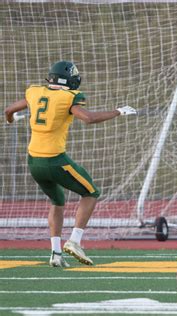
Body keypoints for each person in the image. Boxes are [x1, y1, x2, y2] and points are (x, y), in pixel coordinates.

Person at [4, 60, 137, 267]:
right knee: (91, 192)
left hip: (34, 162)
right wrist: (118, 111)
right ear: (70, 80)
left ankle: (56, 254)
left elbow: (8, 111)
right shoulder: (69, 96)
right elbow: (88, 118)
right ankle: (74, 241)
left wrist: (11, 120)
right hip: (55, 161)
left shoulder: (34, 92)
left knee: (57, 201)